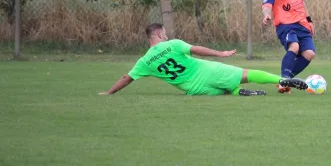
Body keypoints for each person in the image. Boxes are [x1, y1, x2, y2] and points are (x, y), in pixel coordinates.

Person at [99, 23, 308, 96]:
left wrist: (108, 92)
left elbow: (127, 78)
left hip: (194, 89)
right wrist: (220, 54)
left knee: (226, 90)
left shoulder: (144, 62)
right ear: (160, 34)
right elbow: (197, 49)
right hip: (208, 71)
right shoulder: (173, 44)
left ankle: (240, 93)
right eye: (165, 32)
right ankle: (281, 80)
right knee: (246, 74)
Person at [262, 0, 316, 94]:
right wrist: (267, 15)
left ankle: (285, 82)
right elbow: (267, 5)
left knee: (309, 53)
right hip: (285, 26)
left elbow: (301, 2)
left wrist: (309, 20)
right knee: (294, 46)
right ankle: (284, 79)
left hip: (302, 24)